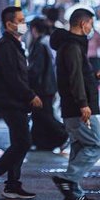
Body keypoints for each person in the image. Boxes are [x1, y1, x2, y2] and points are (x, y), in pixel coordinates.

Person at [0, 5, 41, 200]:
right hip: (11, 102)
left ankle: (12, 184)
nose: (24, 24)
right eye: (21, 20)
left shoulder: (14, 44)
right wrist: (29, 95)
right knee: (23, 142)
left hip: (16, 102)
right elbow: (12, 77)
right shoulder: (6, 46)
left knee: (19, 143)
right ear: (9, 24)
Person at [51, 7, 100, 200]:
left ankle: (74, 193)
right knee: (95, 144)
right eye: (90, 23)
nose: (92, 28)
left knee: (79, 146)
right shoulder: (72, 46)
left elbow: (81, 74)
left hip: (74, 107)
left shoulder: (74, 45)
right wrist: (83, 104)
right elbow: (74, 77)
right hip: (78, 107)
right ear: (83, 23)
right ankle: (69, 179)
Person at [27, 16, 67, 152]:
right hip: (48, 86)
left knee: (45, 116)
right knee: (39, 116)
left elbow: (36, 69)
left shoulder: (40, 44)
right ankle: (41, 142)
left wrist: (29, 82)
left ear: (33, 29)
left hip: (43, 88)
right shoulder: (46, 42)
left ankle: (63, 134)